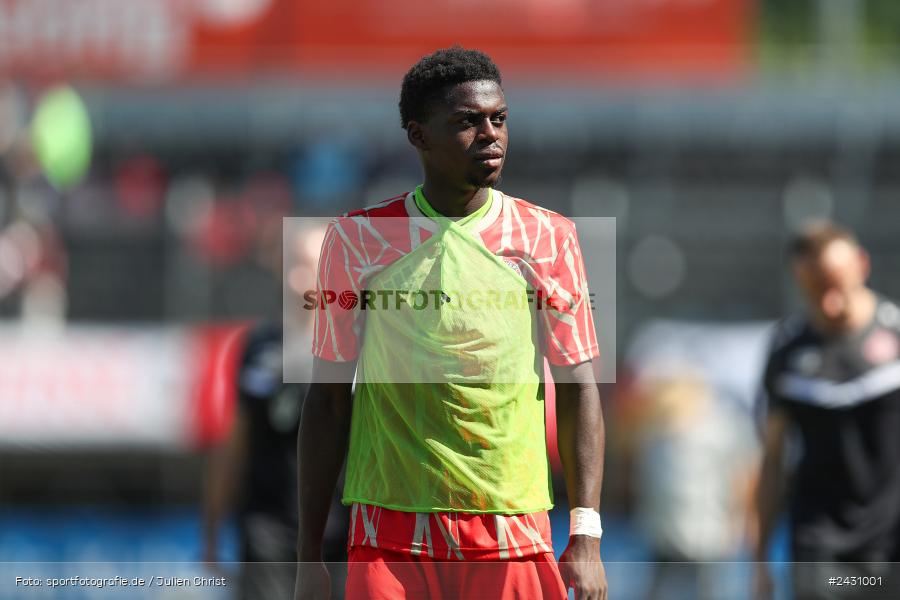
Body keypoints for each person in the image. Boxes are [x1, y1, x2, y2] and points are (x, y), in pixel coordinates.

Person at [295, 47, 607, 599]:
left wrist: (586, 536)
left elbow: (580, 388)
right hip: (388, 531)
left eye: (499, 119)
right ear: (418, 135)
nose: (490, 134)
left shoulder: (548, 238)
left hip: (510, 526)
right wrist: (308, 555)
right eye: (466, 122)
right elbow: (326, 398)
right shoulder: (356, 241)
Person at [755, 222, 900, 600]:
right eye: (815, 289)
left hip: (891, 543)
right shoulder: (787, 351)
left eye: (837, 284)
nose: (829, 301)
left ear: (862, 265)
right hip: (819, 546)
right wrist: (760, 561)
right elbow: (772, 459)